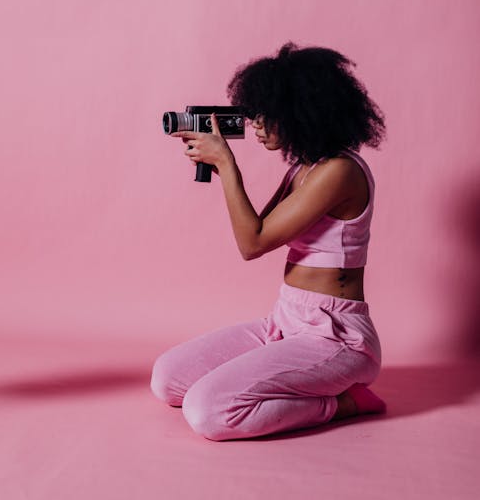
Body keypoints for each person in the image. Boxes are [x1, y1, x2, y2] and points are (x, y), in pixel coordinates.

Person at [150, 41, 388, 441]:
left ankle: (345, 402)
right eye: (254, 114)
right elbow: (261, 227)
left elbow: (253, 243)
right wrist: (218, 163)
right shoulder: (303, 169)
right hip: (284, 321)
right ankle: (286, 381)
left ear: (301, 113)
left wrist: (226, 164)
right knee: (167, 380)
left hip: (335, 336)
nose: (255, 125)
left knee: (207, 411)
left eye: (266, 115)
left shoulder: (340, 171)